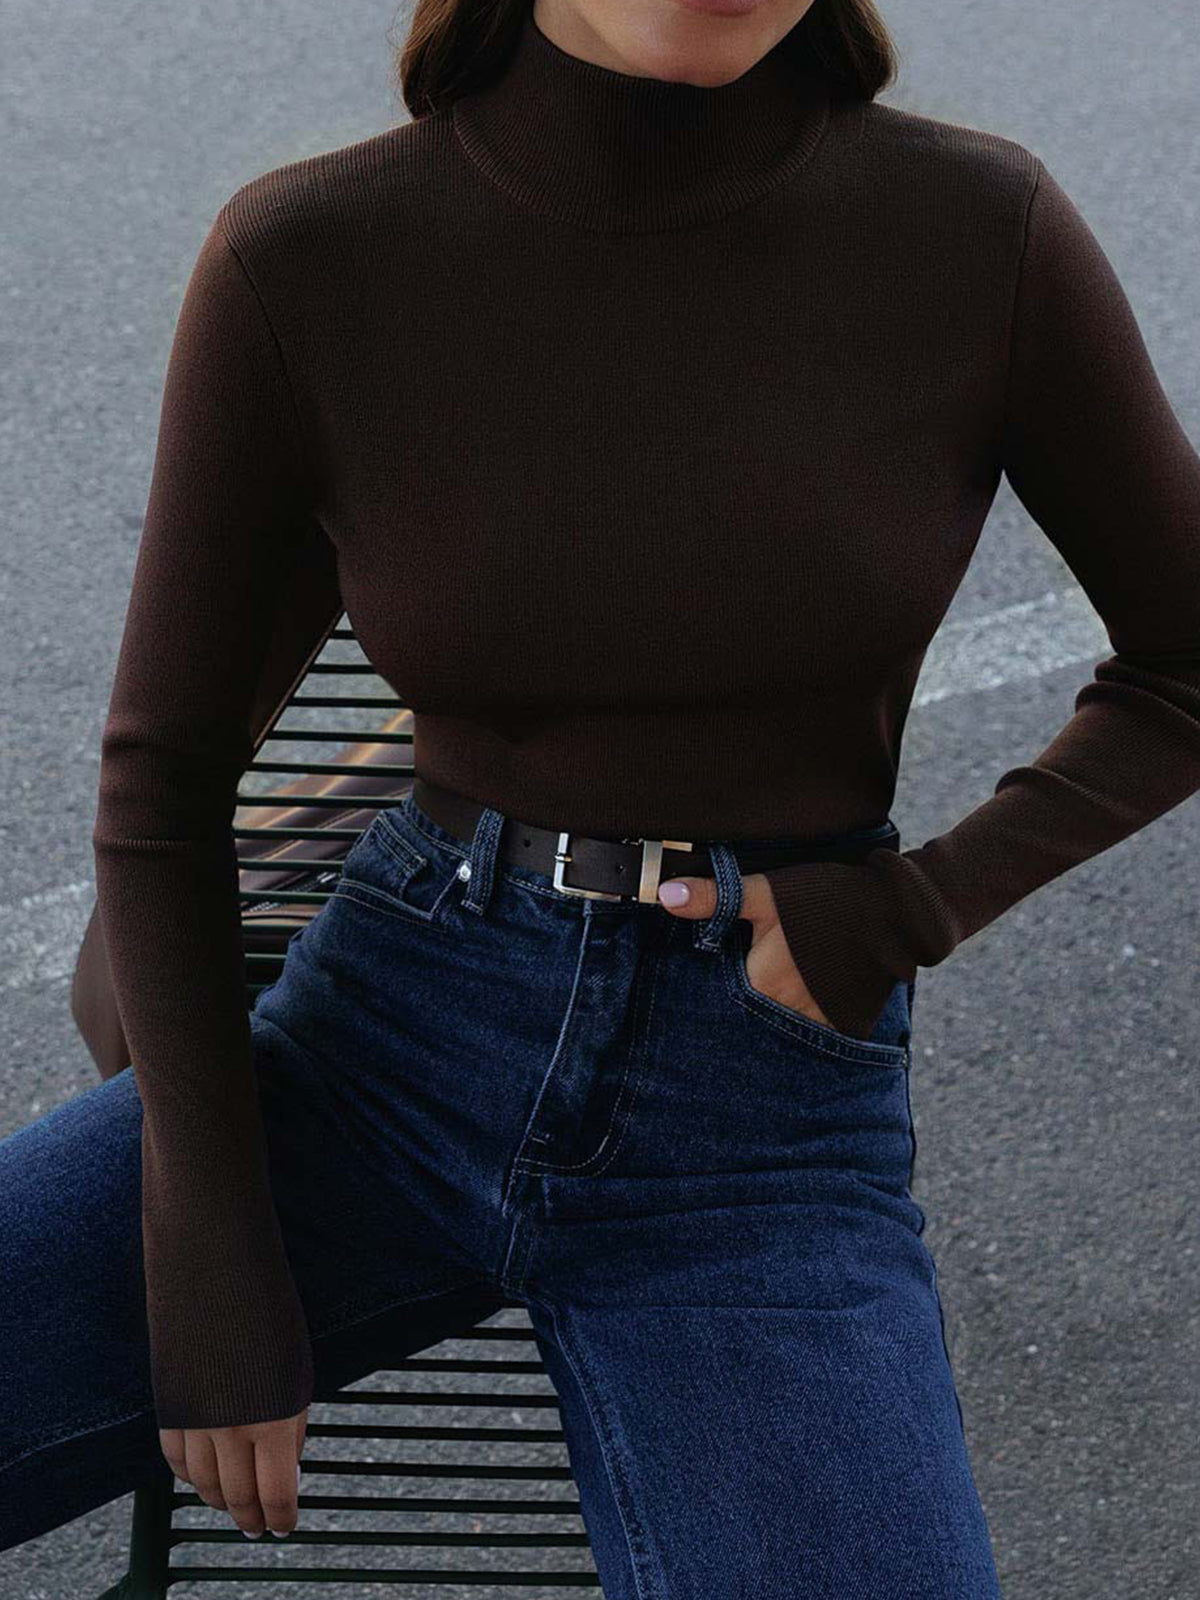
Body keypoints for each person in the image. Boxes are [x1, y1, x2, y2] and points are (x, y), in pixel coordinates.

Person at [3, 0, 1199, 1588]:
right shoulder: (312, 257)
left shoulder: (982, 232)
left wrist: (915, 905)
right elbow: (163, 782)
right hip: (380, 1056)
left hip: (759, 1130)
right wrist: (211, 1259)